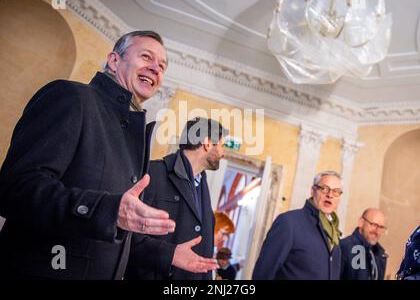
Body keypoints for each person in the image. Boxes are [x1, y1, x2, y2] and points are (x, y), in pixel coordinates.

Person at [0, 30, 176, 280]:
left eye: (162, 66)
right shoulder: (71, 97)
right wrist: (107, 209)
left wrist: (170, 255)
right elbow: (15, 188)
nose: (156, 69)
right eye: (146, 57)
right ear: (114, 61)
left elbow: (118, 234)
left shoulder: (135, 134)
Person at [125, 117, 228, 280]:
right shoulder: (152, 173)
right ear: (207, 143)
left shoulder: (202, 184)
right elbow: (126, 235)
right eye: (222, 146)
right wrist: (169, 254)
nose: (223, 153)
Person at [252, 171, 343, 280]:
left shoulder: (334, 232)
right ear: (313, 190)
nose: (330, 195)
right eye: (324, 188)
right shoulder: (289, 222)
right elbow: (263, 273)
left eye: (336, 191)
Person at [340, 208, 388, 280]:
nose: (377, 232)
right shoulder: (344, 247)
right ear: (361, 222)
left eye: (381, 227)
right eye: (374, 225)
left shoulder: (380, 254)